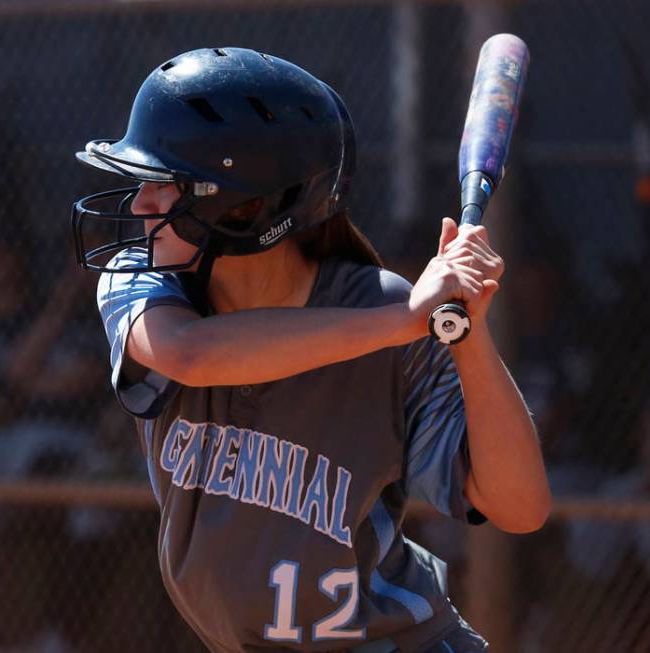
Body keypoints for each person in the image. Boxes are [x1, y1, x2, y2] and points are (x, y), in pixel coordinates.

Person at [71, 47, 550, 653]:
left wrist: (468, 330)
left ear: (242, 208)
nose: (139, 206)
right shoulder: (147, 285)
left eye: (163, 186)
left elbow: (520, 505)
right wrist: (405, 320)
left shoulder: (379, 312)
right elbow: (188, 354)